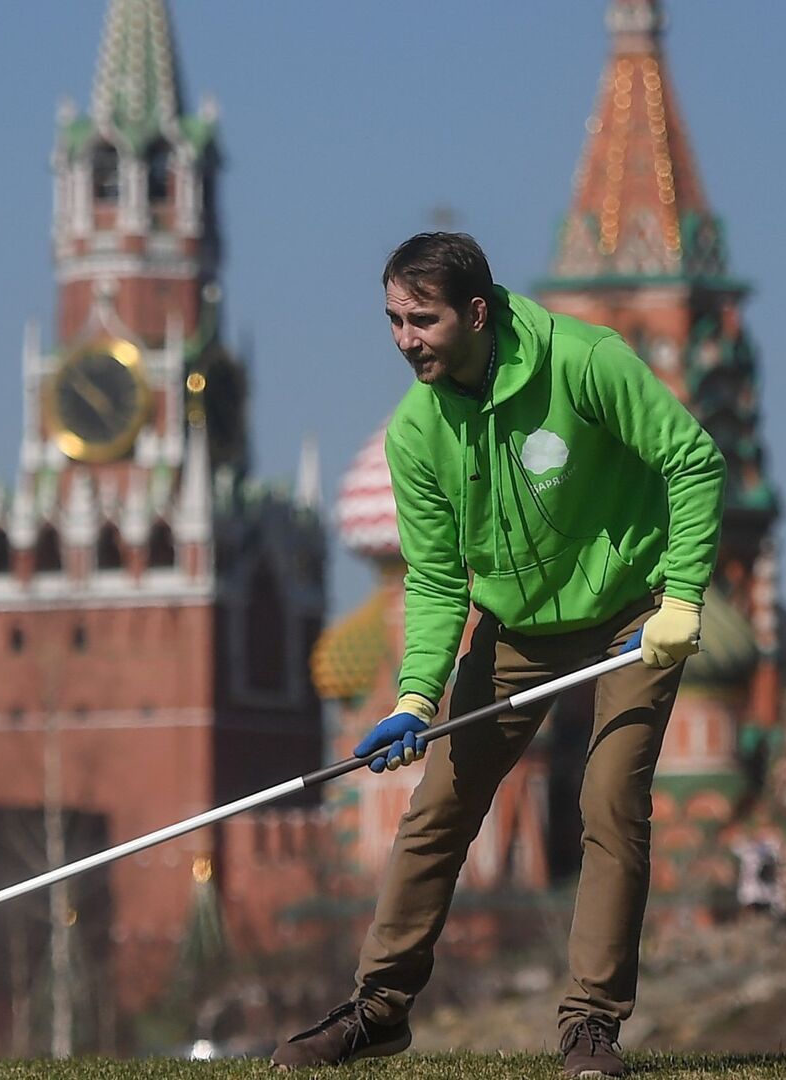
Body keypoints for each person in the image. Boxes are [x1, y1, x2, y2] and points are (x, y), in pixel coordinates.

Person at [271, 233, 725, 1078]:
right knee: (439, 806)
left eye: (423, 320)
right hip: (516, 630)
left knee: (608, 797)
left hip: (632, 612)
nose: (406, 340)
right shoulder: (416, 432)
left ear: (477, 312)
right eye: (394, 321)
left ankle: (590, 1025)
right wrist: (414, 700)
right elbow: (439, 582)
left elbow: (693, 462)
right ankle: (378, 1007)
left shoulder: (585, 362)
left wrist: (683, 598)